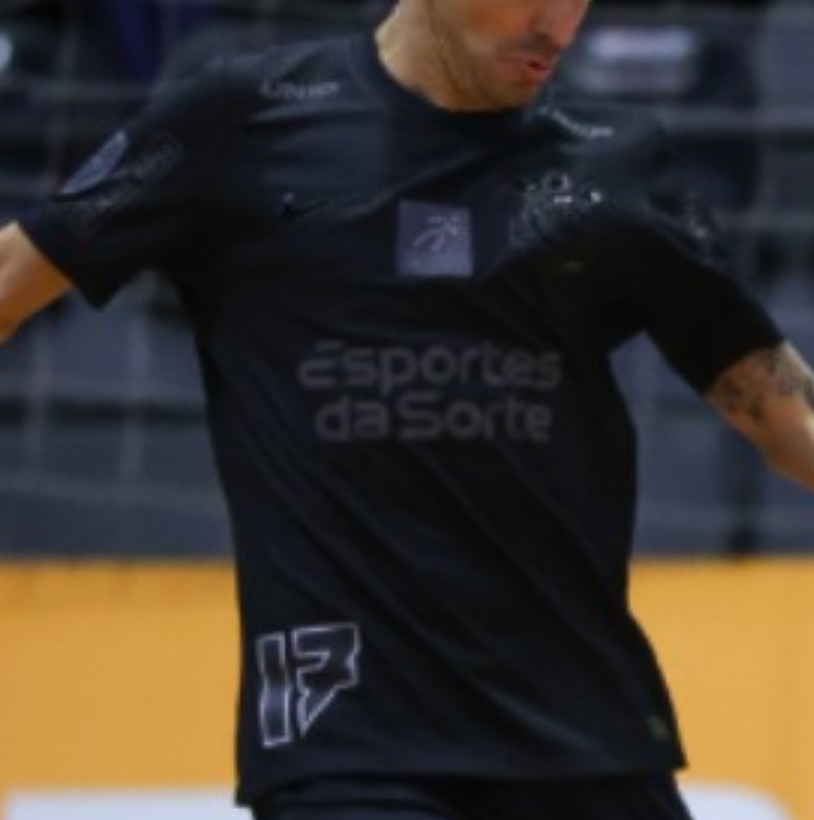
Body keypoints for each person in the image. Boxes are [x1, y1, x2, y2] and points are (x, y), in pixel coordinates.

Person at [1, 1, 813, 818]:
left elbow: (784, 419)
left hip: (586, 740)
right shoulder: (243, 121)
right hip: (349, 749)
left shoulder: (614, 159)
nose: (557, 28)